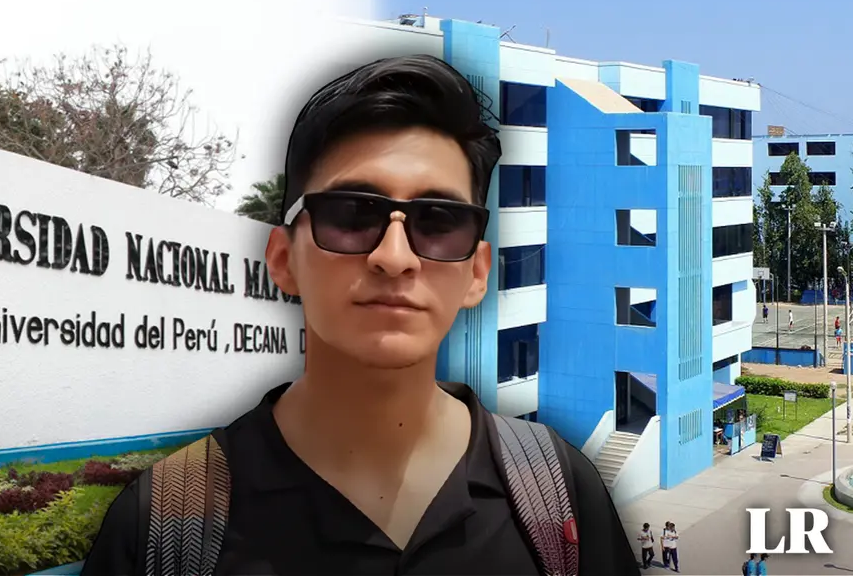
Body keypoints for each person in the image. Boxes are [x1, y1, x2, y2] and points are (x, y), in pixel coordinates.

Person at [81, 55, 639, 575]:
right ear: (283, 259)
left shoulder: (558, 495)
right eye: (351, 214)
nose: (394, 258)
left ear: (477, 272)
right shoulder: (163, 528)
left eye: (438, 221)